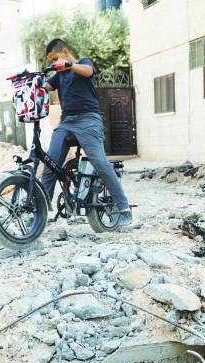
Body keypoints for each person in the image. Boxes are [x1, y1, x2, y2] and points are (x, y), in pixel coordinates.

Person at [40, 38, 133, 228]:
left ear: (65, 52)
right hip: (67, 123)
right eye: (52, 62)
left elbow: (88, 71)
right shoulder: (58, 76)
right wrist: (29, 83)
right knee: (49, 163)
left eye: (55, 59)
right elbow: (45, 87)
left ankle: (124, 209)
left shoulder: (83, 63)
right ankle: (39, 214)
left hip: (89, 120)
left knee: (99, 162)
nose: (54, 64)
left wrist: (69, 65)